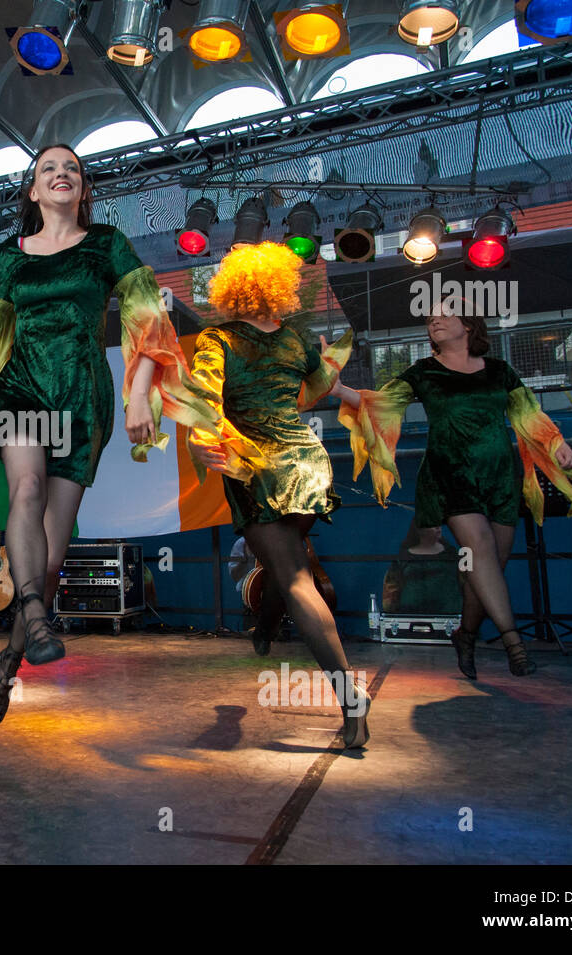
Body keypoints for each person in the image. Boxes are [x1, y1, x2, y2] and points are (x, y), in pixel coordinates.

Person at [0, 143, 225, 726]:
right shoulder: (7, 258)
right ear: (33, 192)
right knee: (24, 493)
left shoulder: (106, 245)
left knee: (48, 555)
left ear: (83, 188)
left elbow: (148, 315)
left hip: (81, 395)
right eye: (49, 169)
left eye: (72, 168)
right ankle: (40, 619)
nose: (62, 174)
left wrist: (141, 388)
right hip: (22, 388)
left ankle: (10, 658)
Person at [332, 296, 572, 679]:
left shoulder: (499, 371)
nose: (434, 321)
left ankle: (465, 634)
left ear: (468, 324)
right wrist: (340, 390)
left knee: (489, 566)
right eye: (430, 318)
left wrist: (557, 444)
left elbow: (528, 413)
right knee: (478, 548)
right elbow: (380, 404)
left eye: (444, 315)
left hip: (498, 475)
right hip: (450, 473)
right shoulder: (424, 372)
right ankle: (515, 644)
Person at [186, 241, 370, 748]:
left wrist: (204, 440)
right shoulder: (296, 340)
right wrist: (367, 405)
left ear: (233, 289)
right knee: (288, 568)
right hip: (308, 461)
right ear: (278, 289)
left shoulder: (217, 339)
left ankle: (350, 698)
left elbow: (202, 398)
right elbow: (327, 388)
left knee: (293, 579)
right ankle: (264, 631)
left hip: (259, 468)